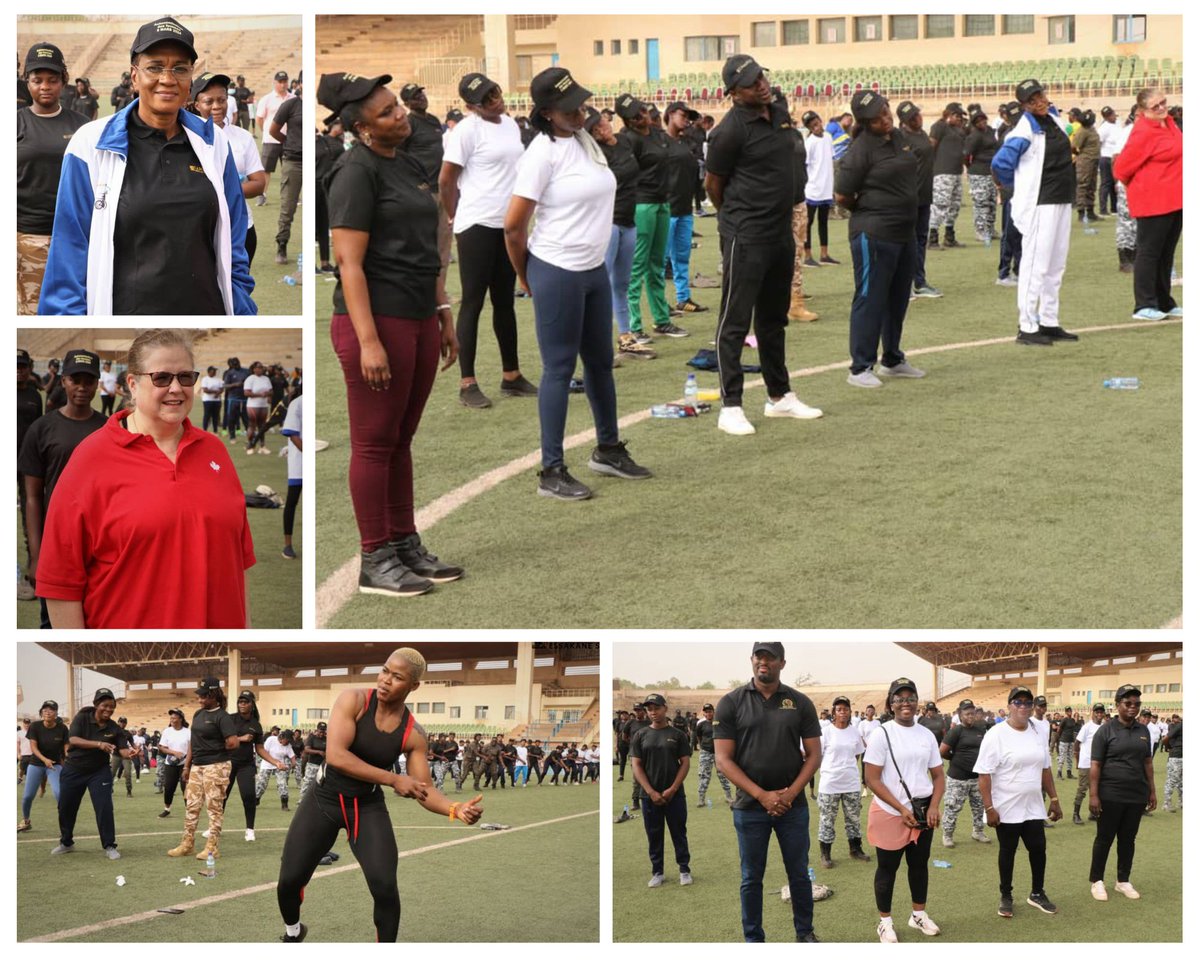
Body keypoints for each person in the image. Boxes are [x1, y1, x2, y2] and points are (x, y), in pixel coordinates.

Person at [320, 71, 463, 597]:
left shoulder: (400, 161)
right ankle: (374, 557)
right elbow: (348, 265)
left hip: (418, 314)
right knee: (374, 444)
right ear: (361, 127)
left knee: (400, 440)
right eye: (386, 113)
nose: (400, 114)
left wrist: (442, 310)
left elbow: (427, 246)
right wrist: (370, 340)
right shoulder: (355, 171)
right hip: (377, 321)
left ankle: (403, 543)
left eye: (396, 106)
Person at [34, 329, 255, 628]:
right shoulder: (90, 459)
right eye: (162, 378)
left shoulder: (214, 450)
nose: (176, 388)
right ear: (133, 384)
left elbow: (238, 564)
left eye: (186, 377)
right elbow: (60, 583)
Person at [38, 17, 254, 316]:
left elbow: (235, 240)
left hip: (205, 311)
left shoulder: (213, 143)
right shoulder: (90, 144)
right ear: (134, 76)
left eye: (180, 68)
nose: (168, 79)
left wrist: (240, 304)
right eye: (154, 67)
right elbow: (69, 250)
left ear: (190, 79)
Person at [504, 66, 652, 501]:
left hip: (591, 270)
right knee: (559, 369)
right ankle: (551, 470)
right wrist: (525, 275)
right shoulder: (540, 155)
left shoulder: (587, 141)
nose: (581, 110)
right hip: (557, 270)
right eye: (570, 106)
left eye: (582, 102)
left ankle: (608, 449)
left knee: (601, 363)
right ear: (547, 112)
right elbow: (513, 227)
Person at [275, 648, 483, 942]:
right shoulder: (354, 700)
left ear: (413, 686)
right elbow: (336, 756)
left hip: (366, 807)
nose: (385, 680)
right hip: (324, 800)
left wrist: (455, 809)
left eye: (397, 677)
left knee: (385, 887)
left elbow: (425, 789)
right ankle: (293, 932)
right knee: (289, 881)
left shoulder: (414, 734)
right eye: (384, 670)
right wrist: (392, 778)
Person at [706, 56, 823, 438]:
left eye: (762, 77)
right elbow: (714, 185)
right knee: (735, 319)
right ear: (734, 93)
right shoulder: (729, 131)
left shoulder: (780, 112)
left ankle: (779, 395)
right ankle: (731, 406)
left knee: (773, 318)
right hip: (746, 232)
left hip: (780, 229)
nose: (761, 85)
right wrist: (737, 219)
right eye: (752, 82)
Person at [713, 641, 822, 943]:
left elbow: (814, 755)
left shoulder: (800, 702)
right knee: (751, 879)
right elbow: (723, 760)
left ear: (782, 664)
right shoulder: (731, 702)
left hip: (793, 807)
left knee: (799, 875)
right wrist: (763, 795)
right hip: (749, 807)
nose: (764, 662)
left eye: (771, 658)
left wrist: (788, 796)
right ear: (751, 660)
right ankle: (754, 940)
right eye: (759, 657)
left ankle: (805, 934)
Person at [440, 71, 535, 408]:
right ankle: (468, 383)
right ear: (471, 106)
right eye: (487, 99)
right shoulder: (465, 131)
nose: (496, 100)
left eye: (495, 92)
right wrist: (454, 216)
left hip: (508, 224)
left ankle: (511, 376)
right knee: (474, 302)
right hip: (477, 224)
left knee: (505, 301)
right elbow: (446, 180)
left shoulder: (510, 124)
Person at [835, 91, 925, 390]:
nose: (885, 119)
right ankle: (860, 366)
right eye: (877, 118)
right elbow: (843, 196)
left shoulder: (898, 137)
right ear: (865, 122)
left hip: (904, 231)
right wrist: (873, 212)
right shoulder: (860, 150)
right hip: (873, 233)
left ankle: (892, 359)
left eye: (886, 112)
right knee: (870, 297)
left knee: (898, 297)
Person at [18, 348, 106, 630]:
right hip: (56, 544)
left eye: (88, 380)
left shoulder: (110, 429)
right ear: (63, 381)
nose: (82, 387)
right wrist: (36, 553)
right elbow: (32, 496)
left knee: (98, 618)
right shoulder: (41, 429)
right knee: (53, 625)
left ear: (97, 383)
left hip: (98, 543)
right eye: (75, 379)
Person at [990, 79, 1079, 347]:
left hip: (1061, 199)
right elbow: (1000, 163)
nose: (1039, 101)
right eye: (1032, 100)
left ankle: (1049, 320)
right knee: (1034, 265)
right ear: (1024, 105)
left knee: (1056, 264)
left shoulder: (1053, 119)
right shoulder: (1024, 128)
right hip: (1041, 203)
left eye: (1040, 95)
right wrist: (1019, 187)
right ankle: (1027, 325)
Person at [862, 677, 944, 942]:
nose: (906, 703)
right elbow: (872, 778)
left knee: (919, 866)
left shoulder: (927, 734)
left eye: (910, 698)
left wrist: (933, 806)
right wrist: (900, 808)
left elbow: (939, 776)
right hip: (890, 812)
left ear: (917, 702)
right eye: (900, 699)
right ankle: (885, 922)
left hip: (922, 813)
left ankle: (918, 914)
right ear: (891, 704)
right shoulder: (881, 733)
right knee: (887, 868)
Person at [974, 686, 1062, 918]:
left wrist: (1054, 799)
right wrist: (989, 807)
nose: (1023, 706)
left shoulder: (1037, 731)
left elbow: (1045, 768)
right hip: (1006, 808)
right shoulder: (996, 734)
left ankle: (1037, 893)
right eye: (1018, 702)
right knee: (1008, 851)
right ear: (1010, 705)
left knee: (1038, 849)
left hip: (1033, 806)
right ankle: (1006, 895)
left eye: (1027, 702)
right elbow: (984, 774)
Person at [16, 43, 89, 314]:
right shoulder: (14, 123)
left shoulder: (82, 126)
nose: (44, 86)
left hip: (74, 237)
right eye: (37, 80)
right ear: (27, 82)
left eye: (52, 80)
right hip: (28, 237)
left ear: (64, 81)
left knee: (73, 308)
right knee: (32, 311)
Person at [586, 108, 654, 359]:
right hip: (609, 221)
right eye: (596, 126)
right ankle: (598, 343)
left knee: (622, 282)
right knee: (601, 283)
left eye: (602, 121)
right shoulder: (596, 154)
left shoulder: (625, 141)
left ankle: (625, 337)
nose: (602, 126)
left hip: (628, 220)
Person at [1114, 88, 1182, 322]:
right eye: (1156, 106)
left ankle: (1164, 301)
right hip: (1153, 202)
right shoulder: (1142, 132)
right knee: (1149, 253)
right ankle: (1144, 304)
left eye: (1163, 102)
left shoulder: (1169, 123)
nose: (1162, 108)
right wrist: (1147, 185)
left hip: (1175, 199)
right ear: (1143, 111)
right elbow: (1121, 169)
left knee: (1166, 253)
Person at [189, 71, 267, 266]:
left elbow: (258, 183)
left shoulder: (243, 137)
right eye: (209, 101)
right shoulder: (187, 138)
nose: (216, 107)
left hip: (240, 229)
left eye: (221, 100)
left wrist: (226, 191)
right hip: (200, 231)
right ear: (197, 105)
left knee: (238, 291)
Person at [1088, 685, 1157, 901]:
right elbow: (1096, 765)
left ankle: (1123, 880)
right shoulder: (1105, 730)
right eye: (1128, 703)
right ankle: (1097, 881)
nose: (1133, 707)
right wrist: (1094, 795)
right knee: (1104, 838)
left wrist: (1152, 791)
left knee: (1128, 840)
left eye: (1137, 704)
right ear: (1118, 705)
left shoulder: (1143, 730)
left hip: (1136, 794)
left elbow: (1147, 763)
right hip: (1110, 794)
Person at [52, 688, 133, 859]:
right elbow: (73, 739)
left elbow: (123, 750)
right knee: (66, 807)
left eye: (112, 707)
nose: (108, 709)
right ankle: (66, 843)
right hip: (73, 769)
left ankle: (109, 845)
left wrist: (132, 753)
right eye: (105, 705)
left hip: (99, 771)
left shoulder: (114, 728)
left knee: (104, 807)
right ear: (96, 705)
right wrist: (99, 744)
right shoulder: (82, 718)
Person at [166, 677, 238, 861]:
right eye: (199, 696)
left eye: (203, 696)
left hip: (216, 765)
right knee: (191, 806)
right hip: (197, 765)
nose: (199, 699)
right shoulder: (198, 714)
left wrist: (213, 749)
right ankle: (187, 844)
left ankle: (212, 848)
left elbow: (233, 742)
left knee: (214, 807)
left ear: (213, 695)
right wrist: (187, 766)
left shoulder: (222, 716)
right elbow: (193, 742)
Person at [629, 693, 693, 887]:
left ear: (665, 708)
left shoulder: (677, 735)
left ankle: (684, 869)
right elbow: (636, 765)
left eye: (656, 708)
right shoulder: (641, 735)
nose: (653, 712)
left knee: (678, 832)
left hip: (674, 795)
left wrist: (673, 788)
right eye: (649, 709)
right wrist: (650, 792)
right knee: (653, 834)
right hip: (649, 796)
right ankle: (657, 871)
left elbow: (685, 763)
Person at [220, 691, 283, 841]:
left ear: (252, 704)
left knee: (248, 796)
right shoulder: (230, 719)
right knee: (222, 796)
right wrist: (241, 738)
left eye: (245, 701)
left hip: (246, 765)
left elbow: (260, 749)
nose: (242, 704)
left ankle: (250, 829)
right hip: (228, 762)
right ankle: (215, 827)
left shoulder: (256, 724)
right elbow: (223, 742)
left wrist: (276, 762)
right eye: (240, 701)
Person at [817, 695, 871, 868]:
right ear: (834, 712)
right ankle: (825, 854)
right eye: (839, 709)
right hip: (829, 783)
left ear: (849, 712)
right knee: (827, 820)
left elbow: (857, 753)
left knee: (853, 819)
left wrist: (846, 768)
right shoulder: (826, 732)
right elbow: (818, 755)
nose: (843, 712)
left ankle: (855, 849)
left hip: (851, 783)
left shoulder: (854, 731)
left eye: (845, 709)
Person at [663, 101, 707, 316]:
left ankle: (683, 298)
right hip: (666, 209)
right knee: (661, 260)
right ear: (670, 115)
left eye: (689, 117)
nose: (687, 120)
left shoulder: (686, 142)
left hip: (684, 208)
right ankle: (660, 303)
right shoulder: (660, 142)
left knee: (682, 256)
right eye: (683, 115)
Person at [940, 699, 991, 847]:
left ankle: (978, 831)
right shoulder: (956, 731)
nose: (970, 716)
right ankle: (948, 835)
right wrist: (956, 759)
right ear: (960, 715)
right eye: (967, 713)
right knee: (952, 807)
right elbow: (942, 751)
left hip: (977, 778)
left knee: (979, 807)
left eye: (972, 713)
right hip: (958, 778)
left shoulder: (980, 730)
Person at [17, 700, 68, 833]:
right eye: (44, 709)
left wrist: (68, 760)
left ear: (56, 713)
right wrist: (45, 760)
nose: (47, 712)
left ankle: (65, 822)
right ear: (41, 713)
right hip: (36, 764)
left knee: (59, 793)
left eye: (51, 709)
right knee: (27, 796)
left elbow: (66, 748)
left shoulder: (62, 728)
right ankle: (26, 821)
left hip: (55, 765)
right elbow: (33, 747)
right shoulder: (35, 726)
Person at [269, 73, 303, 265]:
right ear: (299, 84)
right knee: (287, 207)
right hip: (294, 162)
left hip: (315, 161)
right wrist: (288, 142)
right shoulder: (291, 105)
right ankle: (282, 244)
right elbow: (274, 130)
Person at [927, 102, 967, 249]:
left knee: (954, 205)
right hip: (943, 171)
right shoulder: (939, 126)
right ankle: (932, 237)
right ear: (948, 114)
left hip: (956, 172)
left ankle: (949, 236)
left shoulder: (957, 130)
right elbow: (931, 146)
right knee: (940, 204)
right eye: (957, 115)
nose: (959, 118)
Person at [800, 110, 835, 265]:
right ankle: (807, 256)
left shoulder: (828, 137)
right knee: (808, 222)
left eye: (817, 122)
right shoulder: (809, 142)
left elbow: (830, 159)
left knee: (823, 221)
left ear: (821, 120)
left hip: (826, 187)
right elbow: (805, 164)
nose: (816, 126)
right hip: (813, 189)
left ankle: (824, 253)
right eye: (812, 125)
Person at [255, 71, 293, 206]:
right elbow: (259, 119)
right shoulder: (266, 99)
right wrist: (266, 132)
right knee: (266, 169)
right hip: (270, 140)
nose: (283, 85)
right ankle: (262, 195)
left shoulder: (292, 98)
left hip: (289, 140)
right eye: (280, 82)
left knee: (289, 169)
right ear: (275, 83)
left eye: (285, 81)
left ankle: (291, 196)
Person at [963, 109, 999, 244]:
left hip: (991, 171)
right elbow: (966, 155)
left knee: (991, 201)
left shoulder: (990, 131)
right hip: (978, 172)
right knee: (981, 202)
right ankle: (980, 230)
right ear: (974, 123)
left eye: (983, 119)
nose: (981, 122)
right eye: (978, 121)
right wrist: (969, 168)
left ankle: (990, 229)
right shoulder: (974, 136)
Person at [315, 115, 344, 273]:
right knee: (313, 226)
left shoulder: (337, 143)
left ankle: (325, 262)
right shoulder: (319, 141)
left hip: (328, 187)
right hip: (314, 185)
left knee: (324, 225)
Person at [1073, 703, 1108, 825]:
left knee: (1098, 789)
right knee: (1082, 789)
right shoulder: (1087, 727)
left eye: (1101, 712)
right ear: (1093, 713)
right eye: (1097, 712)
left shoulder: (1105, 727)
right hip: (1086, 763)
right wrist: (1078, 760)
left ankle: (1093, 813)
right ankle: (1076, 814)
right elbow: (1077, 744)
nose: (1099, 714)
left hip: (1099, 764)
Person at [692, 702, 733, 808]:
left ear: (713, 712)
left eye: (710, 711)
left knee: (723, 775)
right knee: (704, 775)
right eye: (706, 712)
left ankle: (728, 797)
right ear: (704, 713)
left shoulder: (719, 722)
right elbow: (699, 737)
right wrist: (702, 747)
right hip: (706, 752)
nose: (708, 714)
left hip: (720, 753)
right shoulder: (701, 724)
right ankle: (701, 799)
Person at [155, 708, 190, 818]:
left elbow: (191, 749)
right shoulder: (167, 731)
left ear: (180, 719)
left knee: (186, 788)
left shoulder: (188, 732)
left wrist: (187, 763)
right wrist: (174, 753)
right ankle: (167, 809)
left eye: (174, 717)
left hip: (185, 764)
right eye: (171, 718)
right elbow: (162, 748)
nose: (172, 719)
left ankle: (189, 810)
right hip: (170, 764)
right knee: (169, 787)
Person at [281, 391, 302, 559]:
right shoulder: (297, 403)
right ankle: (287, 544)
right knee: (291, 503)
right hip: (299, 465)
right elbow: (292, 433)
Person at [257, 726, 296, 808]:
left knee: (282, 784)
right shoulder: (271, 739)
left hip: (280, 766)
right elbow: (264, 752)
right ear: (282, 737)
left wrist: (293, 764)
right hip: (267, 763)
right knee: (261, 784)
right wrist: (273, 762)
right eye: (287, 740)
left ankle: (284, 804)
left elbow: (292, 756)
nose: (288, 742)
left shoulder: (288, 745)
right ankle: (256, 799)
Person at [242, 360, 273, 454]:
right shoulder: (250, 379)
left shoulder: (266, 379)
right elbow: (246, 393)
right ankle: (250, 445)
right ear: (254, 369)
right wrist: (260, 395)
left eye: (261, 367)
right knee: (252, 425)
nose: (260, 369)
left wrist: (268, 394)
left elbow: (271, 391)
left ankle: (262, 446)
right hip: (253, 405)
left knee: (262, 426)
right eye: (258, 367)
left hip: (263, 405)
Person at [1097, 106, 1120, 216]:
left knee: (1114, 183)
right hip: (1106, 157)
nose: (1113, 117)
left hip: (1115, 158)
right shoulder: (1103, 128)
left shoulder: (1117, 125)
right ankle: (1102, 209)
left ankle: (1114, 208)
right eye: (1109, 115)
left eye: (1112, 114)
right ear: (1105, 117)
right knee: (1106, 183)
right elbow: (1099, 143)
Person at [1162, 715, 1182, 812]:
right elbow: (1165, 739)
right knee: (1172, 780)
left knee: (1182, 782)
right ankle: (1166, 803)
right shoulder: (1180, 726)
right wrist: (1169, 747)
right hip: (1176, 756)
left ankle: (1182, 802)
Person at [199, 365, 223, 432]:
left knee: (215, 416)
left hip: (217, 400)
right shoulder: (205, 379)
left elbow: (221, 389)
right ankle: (204, 430)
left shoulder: (218, 379)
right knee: (207, 415)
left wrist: (218, 394)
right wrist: (216, 391)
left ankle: (215, 430)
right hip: (207, 400)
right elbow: (205, 390)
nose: (215, 372)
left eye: (215, 371)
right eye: (213, 371)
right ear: (209, 372)